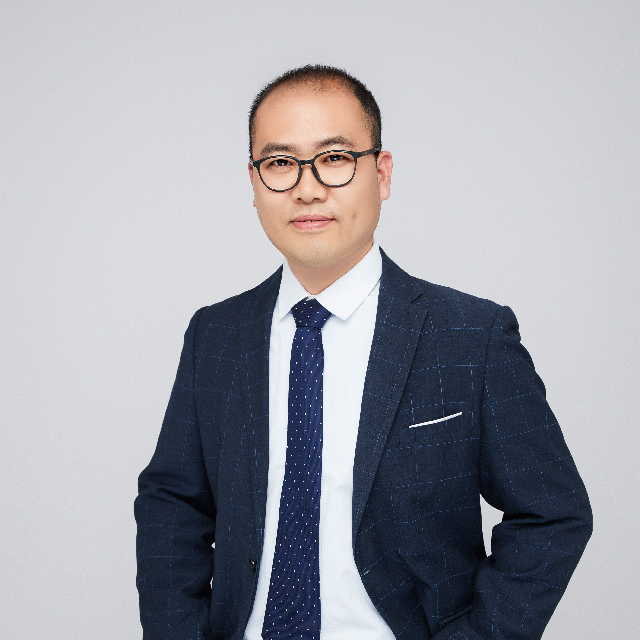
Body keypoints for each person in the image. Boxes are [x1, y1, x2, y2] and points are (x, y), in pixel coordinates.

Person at [134, 65, 592, 640]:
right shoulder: (217, 335)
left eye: (334, 158)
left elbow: (553, 512)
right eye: (280, 163)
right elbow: (172, 504)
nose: (307, 188)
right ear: (253, 183)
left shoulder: (470, 336)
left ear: (382, 173)